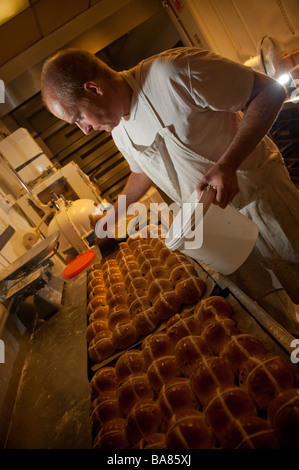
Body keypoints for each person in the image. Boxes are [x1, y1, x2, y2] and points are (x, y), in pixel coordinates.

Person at [41, 46, 299, 334]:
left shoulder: (172, 73)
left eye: (78, 117)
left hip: (263, 201)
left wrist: (229, 163)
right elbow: (142, 170)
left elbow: (271, 92)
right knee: (271, 312)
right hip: (217, 229)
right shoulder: (119, 132)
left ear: (93, 88)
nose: (84, 130)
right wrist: (112, 217)